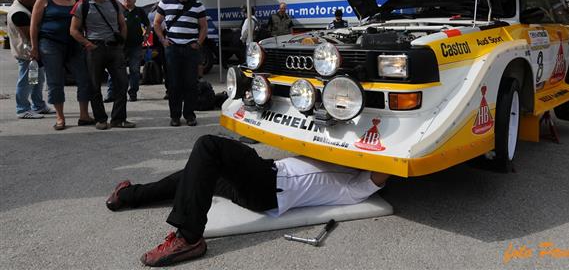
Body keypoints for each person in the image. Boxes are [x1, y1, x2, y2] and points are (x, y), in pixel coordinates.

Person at [105, 135, 389, 267]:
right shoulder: (342, 155)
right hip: (266, 175)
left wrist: (392, 148)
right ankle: (130, 196)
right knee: (196, 173)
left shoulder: (359, 187)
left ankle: (189, 237)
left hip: (269, 187)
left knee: (208, 146)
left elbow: (382, 171)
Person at [30, 0, 94, 130]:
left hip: (74, 44)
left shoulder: (75, 0)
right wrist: (34, 47)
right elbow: (34, 25)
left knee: (84, 78)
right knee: (55, 81)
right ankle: (60, 117)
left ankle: (84, 115)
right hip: (50, 44)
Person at [70, 0, 134, 130]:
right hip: (95, 48)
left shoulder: (114, 3)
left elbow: (123, 25)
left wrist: (121, 43)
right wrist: (88, 44)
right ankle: (101, 119)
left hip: (114, 48)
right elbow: (73, 30)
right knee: (94, 85)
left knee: (123, 83)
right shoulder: (82, 5)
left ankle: (118, 119)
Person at [153, 0, 207, 127]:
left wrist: (199, 43)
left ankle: (190, 115)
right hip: (173, 49)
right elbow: (156, 23)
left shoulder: (197, 5)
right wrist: (163, 40)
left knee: (191, 83)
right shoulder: (165, 3)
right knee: (174, 84)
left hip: (191, 49)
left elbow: (204, 27)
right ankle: (175, 116)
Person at [7, 0, 52, 119]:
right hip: (27, 53)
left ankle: (38, 106)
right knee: (26, 81)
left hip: (32, 53)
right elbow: (30, 35)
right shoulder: (19, 13)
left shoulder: (23, 7)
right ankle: (22, 109)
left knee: (37, 80)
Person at [105, 0, 150, 102]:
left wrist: (146, 34)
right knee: (114, 69)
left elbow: (148, 25)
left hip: (136, 46)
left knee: (134, 70)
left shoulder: (139, 11)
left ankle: (133, 93)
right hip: (120, 46)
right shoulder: (119, 11)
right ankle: (111, 93)